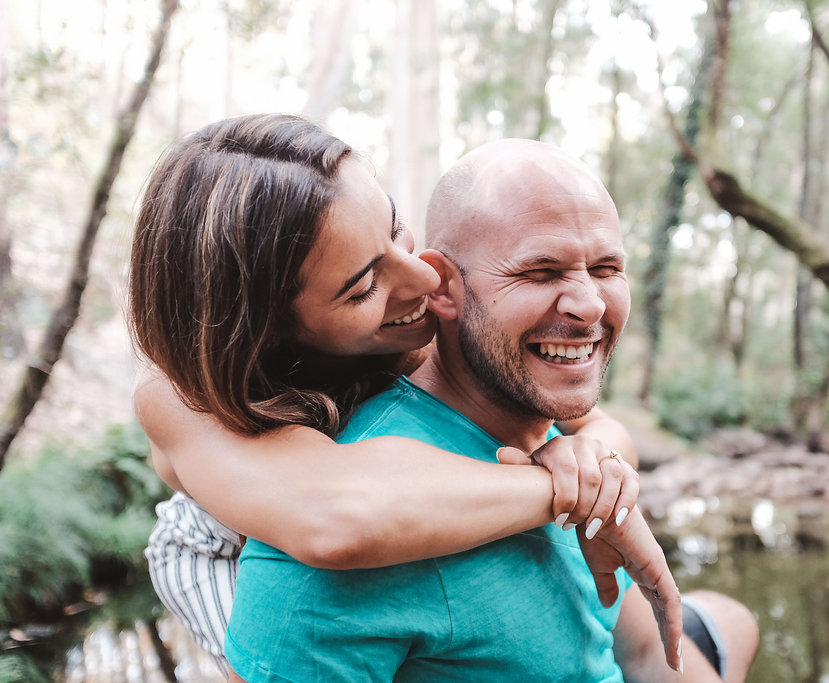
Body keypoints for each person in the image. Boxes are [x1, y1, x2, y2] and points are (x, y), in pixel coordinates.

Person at [128, 114, 682, 676]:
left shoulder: (406, 340)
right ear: (269, 332)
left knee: (728, 621)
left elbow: (595, 426)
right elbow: (337, 518)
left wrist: (595, 462)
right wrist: (561, 489)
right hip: (214, 559)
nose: (422, 276)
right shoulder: (181, 400)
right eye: (365, 284)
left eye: (394, 229)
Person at [224, 138, 760, 682]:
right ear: (444, 287)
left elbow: (644, 652)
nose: (590, 305)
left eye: (605, 268)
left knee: (734, 620)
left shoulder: (563, 447)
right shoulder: (345, 544)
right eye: (541, 272)